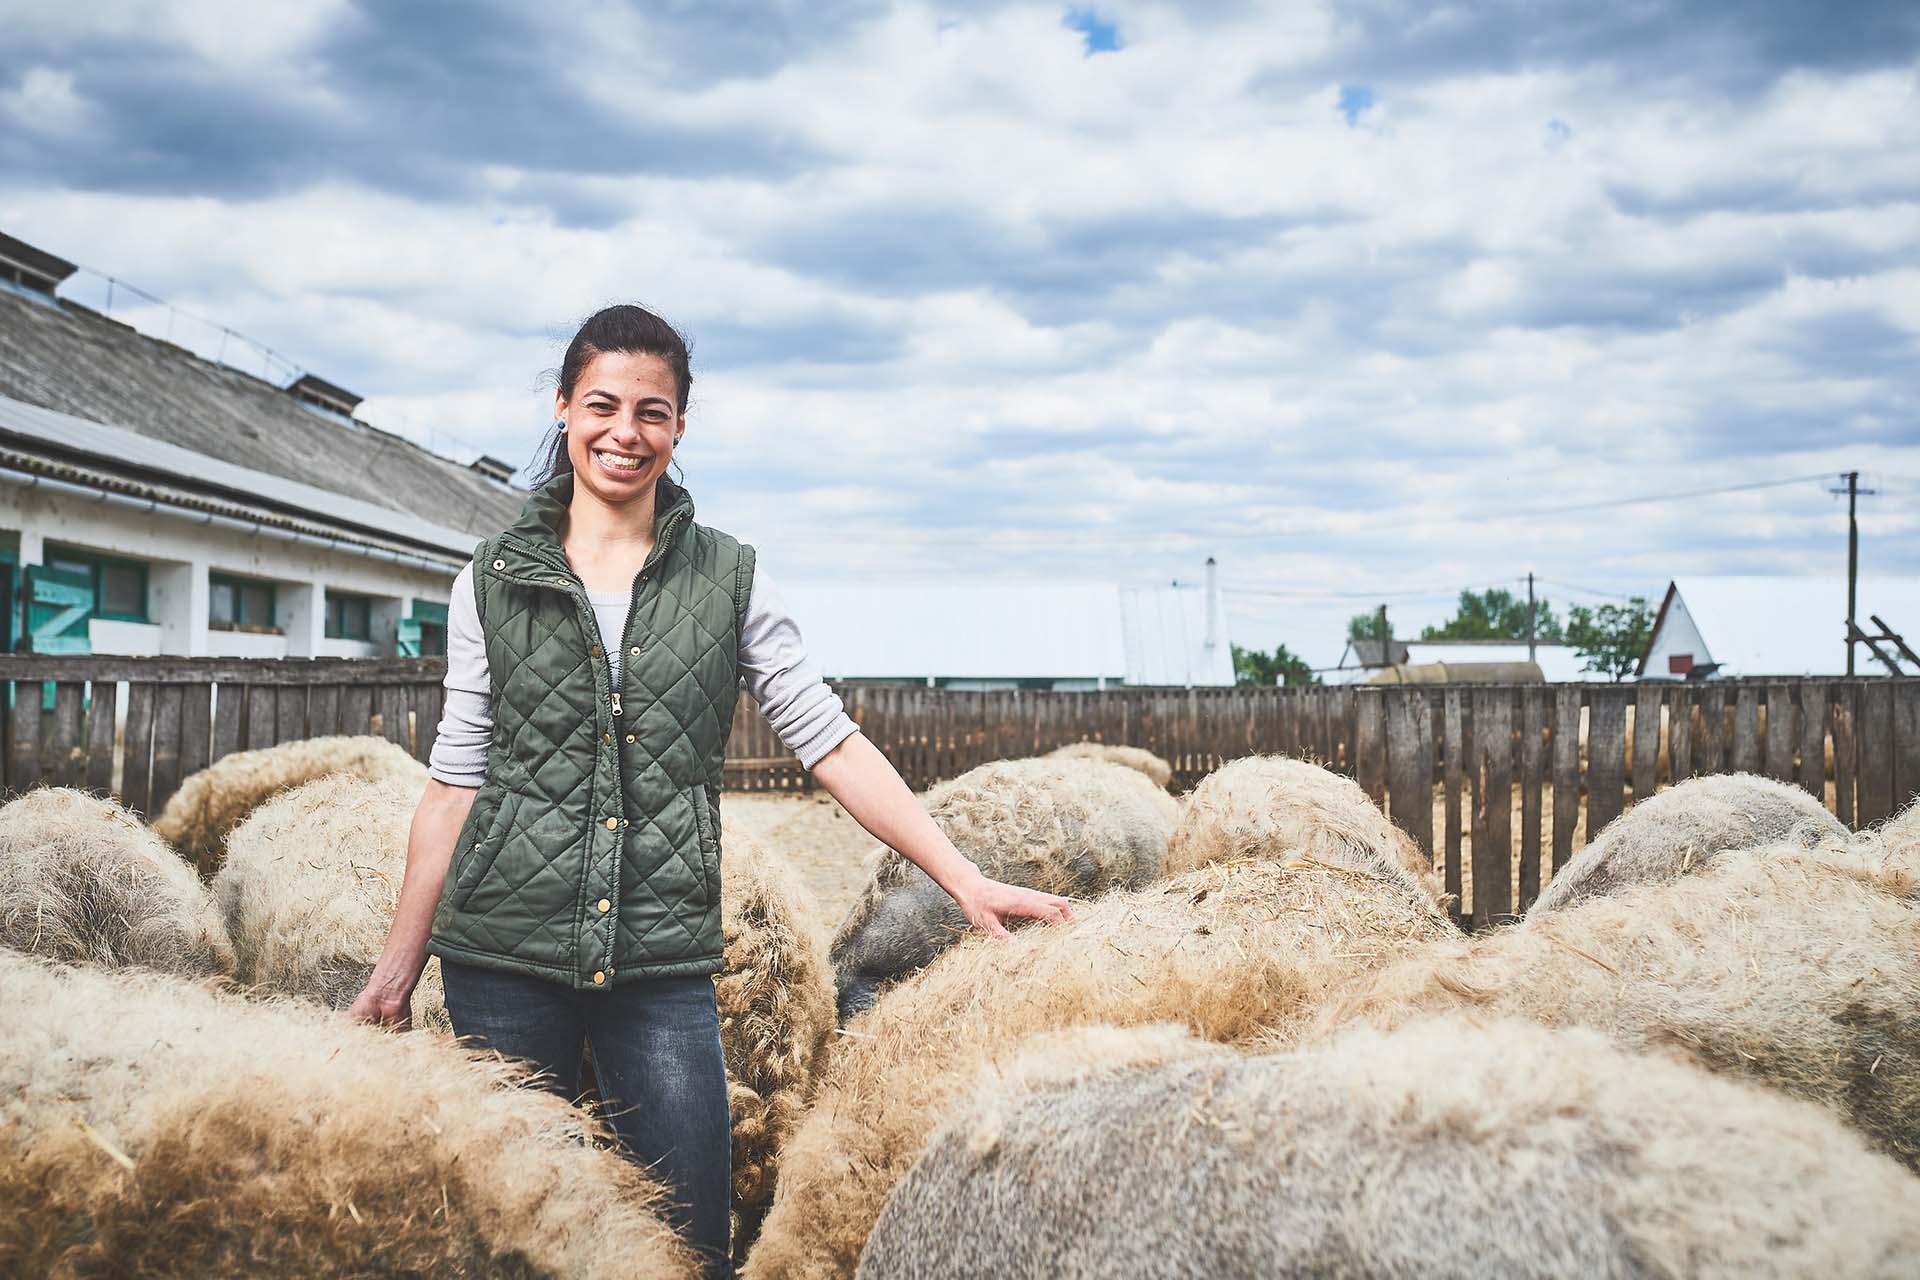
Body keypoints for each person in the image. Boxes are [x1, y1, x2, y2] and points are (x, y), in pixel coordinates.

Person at [348, 304, 1073, 1277]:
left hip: (660, 961)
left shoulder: (730, 580)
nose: (625, 431)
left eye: (653, 411)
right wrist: (398, 968)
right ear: (564, 408)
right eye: (602, 404)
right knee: (515, 1236)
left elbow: (830, 740)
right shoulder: (489, 579)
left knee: (689, 1238)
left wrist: (962, 877)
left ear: (679, 427)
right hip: (502, 955)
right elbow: (455, 782)